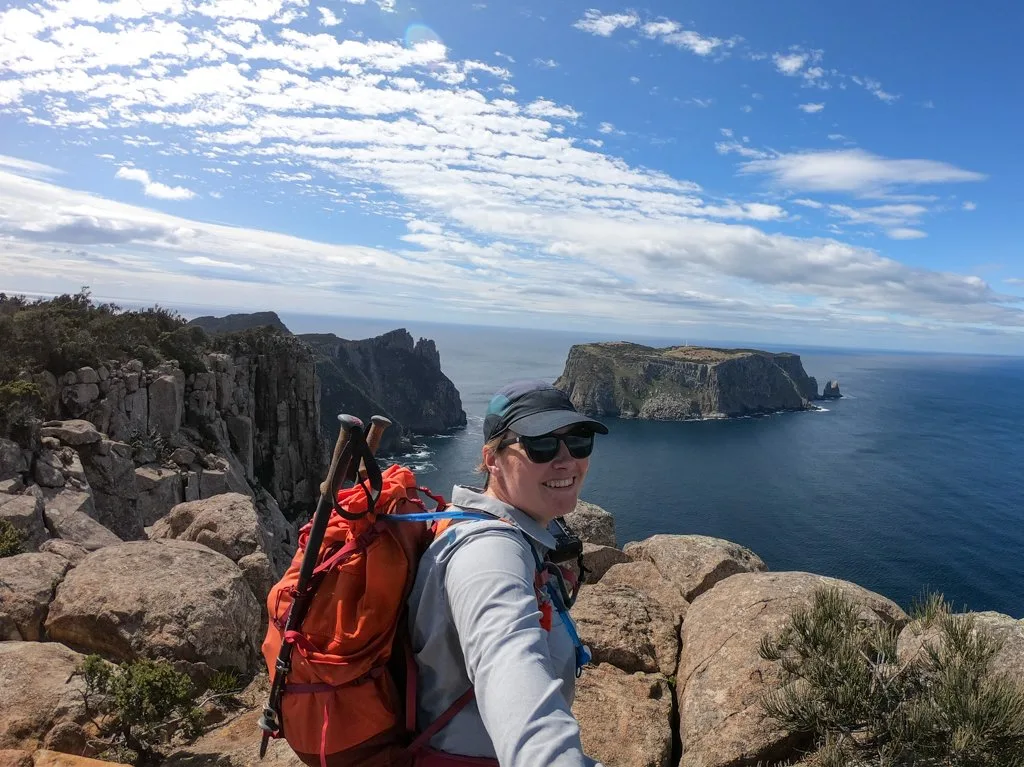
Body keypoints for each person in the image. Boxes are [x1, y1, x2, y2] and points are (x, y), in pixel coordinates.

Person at [407, 380, 609, 767]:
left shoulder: (504, 528)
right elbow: (509, 664)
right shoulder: (489, 555)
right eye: (541, 444)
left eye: (579, 440)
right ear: (491, 459)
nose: (566, 459)